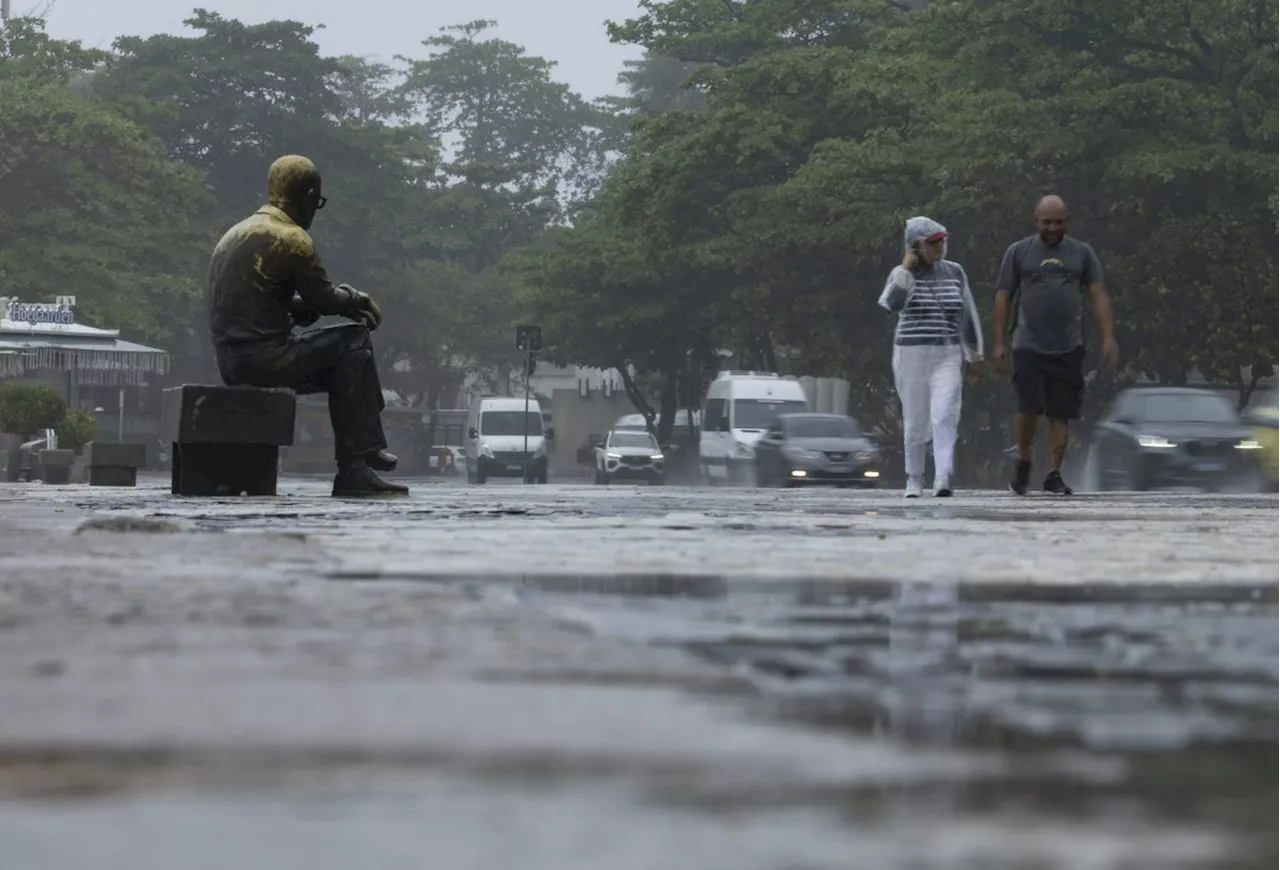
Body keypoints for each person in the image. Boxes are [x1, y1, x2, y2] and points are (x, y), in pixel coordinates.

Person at [208, 154, 409, 498]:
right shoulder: (292, 238)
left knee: (349, 367)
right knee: (355, 342)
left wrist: (294, 307)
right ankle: (356, 464)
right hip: (265, 361)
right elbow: (327, 297)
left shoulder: (235, 233)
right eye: (317, 203)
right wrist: (356, 299)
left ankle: (362, 454)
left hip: (232, 362)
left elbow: (249, 300)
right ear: (309, 196)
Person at [992, 195, 1119, 496]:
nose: (1052, 227)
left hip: (1068, 345)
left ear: (1068, 221)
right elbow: (1003, 297)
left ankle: (1052, 474)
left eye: (1058, 222)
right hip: (1028, 344)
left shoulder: (1082, 254)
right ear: (1036, 221)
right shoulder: (1018, 252)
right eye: (1046, 222)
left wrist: (1108, 335)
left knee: (1060, 413)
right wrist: (998, 342)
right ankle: (1023, 460)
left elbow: (1098, 295)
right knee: (1029, 407)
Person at [879, 216, 984, 498]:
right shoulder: (902, 275)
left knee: (945, 413)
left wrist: (973, 355)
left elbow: (966, 314)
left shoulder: (955, 272)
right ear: (916, 246)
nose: (940, 248)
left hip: (947, 354)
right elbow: (892, 304)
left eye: (942, 242)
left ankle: (943, 476)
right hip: (912, 353)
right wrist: (905, 270)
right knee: (915, 418)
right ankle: (914, 478)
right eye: (933, 243)